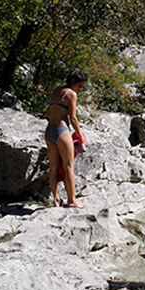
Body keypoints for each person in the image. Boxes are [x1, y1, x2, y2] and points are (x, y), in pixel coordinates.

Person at [45, 70, 88, 208]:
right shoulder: (71, 94)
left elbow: (48, 112)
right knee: (69, 166)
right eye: (80, 86)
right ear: (73, 82)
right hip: (62, 130)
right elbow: (73, 117)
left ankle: (56, 199)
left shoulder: (57, 91)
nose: (80, 89)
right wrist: (80, 135)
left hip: (49, 130)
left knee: (53, 167)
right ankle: (72, 200)